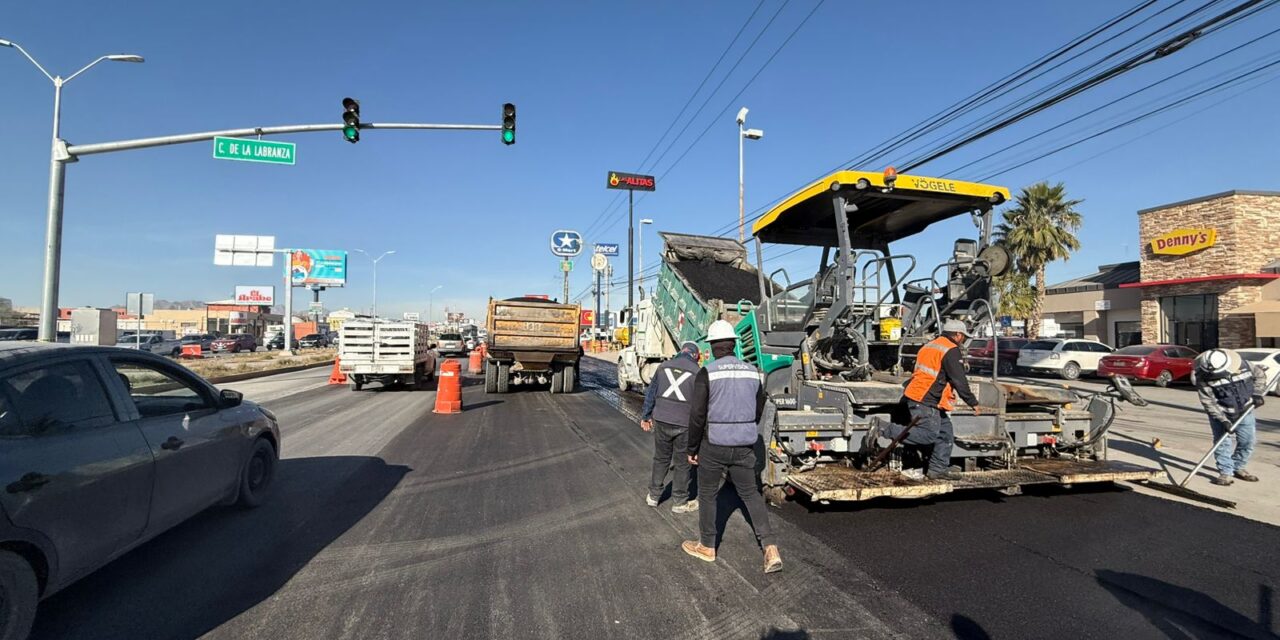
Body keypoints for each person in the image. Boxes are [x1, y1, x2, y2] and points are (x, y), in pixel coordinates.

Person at [681, 320, 782, 574]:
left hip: (714, 444)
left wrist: (692, 448)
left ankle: (707, 546)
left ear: (714, 346)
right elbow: (758, 410)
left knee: (707, 493)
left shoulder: (708, 372)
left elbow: (697, 415)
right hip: (744, 444)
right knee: (749, 494)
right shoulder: (753, 372)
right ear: (734, 345)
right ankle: (770, 548)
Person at [869, 318, 983, 480]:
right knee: (929, 435)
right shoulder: (951, 349)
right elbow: (959, 379)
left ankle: (937, 470)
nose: (963, 340)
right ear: (957, 335)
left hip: (924, 396)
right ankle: (882, 428)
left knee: (945, 434)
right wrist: (973, 403)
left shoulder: (930, 345)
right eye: (963, 336)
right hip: (926, 398)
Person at [639, 341, 701, 513]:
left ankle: (653, 496)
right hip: (684, 424)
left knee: (661, 458)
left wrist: (646, 416)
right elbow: (700, 405)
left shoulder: (663, 366)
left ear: (682, 351)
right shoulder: (698, 372)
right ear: (696, 355)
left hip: (661, 420)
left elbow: (651, 393)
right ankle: (680, 503)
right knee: (682, 463)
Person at [1192, 348, 1266, 486]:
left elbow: (1260, 376)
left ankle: (1239, 466)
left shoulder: (1245, 366)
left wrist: (1257, 393)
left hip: (1245, 411)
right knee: (1222, 443)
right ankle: (1225, 473)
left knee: (1248, 441)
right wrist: (1223, 420)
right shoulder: (1202, 377)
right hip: (1220, 413)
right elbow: (1208, 402)